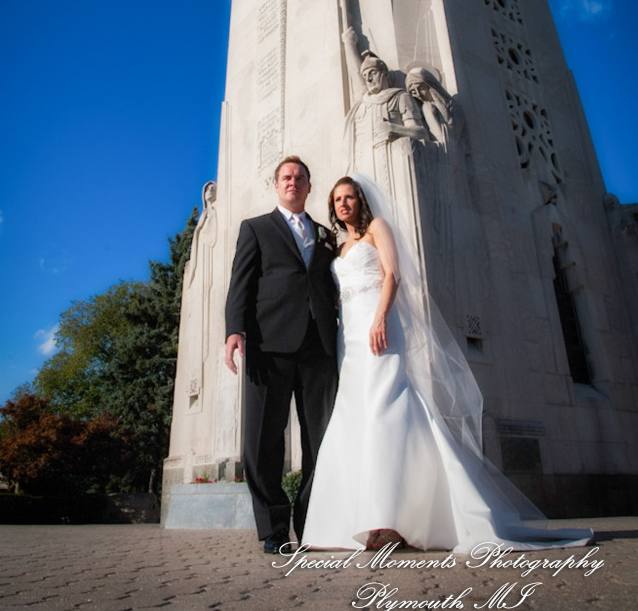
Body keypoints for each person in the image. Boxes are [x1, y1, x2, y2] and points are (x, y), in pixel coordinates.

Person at [301, 175, 593, 553]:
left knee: (384, 411)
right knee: (354, 415)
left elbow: (393, 274)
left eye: (349, 197)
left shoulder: (378, 228)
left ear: (361, 200)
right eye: (337, 199)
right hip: (350, 339)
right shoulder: (339, 248)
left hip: (380, 328)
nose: (343, 204)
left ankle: (389, 520)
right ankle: (359, 518)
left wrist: (380, 318)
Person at [224, 157, 339, 553]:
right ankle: (274, 529)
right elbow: (240, 283)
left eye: (300, 177)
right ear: (276, 185)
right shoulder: (255, 228)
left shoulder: (326, 235)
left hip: (319, 347)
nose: (293, 182)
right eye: (286, 177)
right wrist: (234, 330)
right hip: (268, 345)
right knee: (262, 441)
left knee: (320, 439)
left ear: (309, 186)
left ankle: (311, 526)